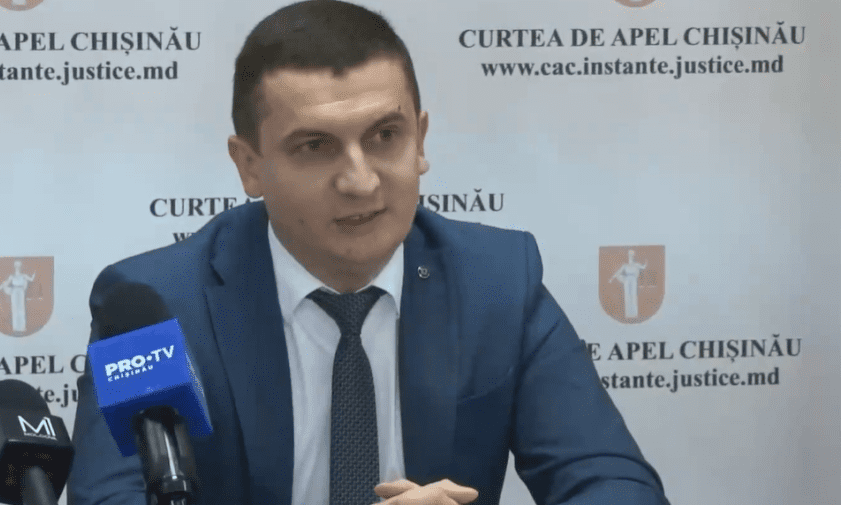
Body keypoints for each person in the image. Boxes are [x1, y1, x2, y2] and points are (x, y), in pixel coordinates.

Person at [68, 1, 670, 504]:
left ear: (420, 140)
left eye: (385, 136)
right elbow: (110, 498)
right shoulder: (153, 309)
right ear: (249, 166)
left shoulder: (497, 282)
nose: (360, 181)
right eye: (315, 146)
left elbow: (613, 484)